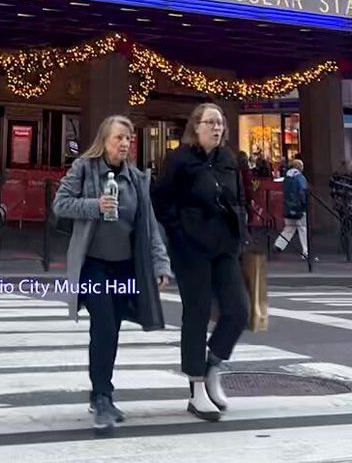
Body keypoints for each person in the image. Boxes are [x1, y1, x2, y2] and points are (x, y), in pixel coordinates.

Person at [53, 114, 171, 433]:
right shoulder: (84, 168)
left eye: (129, 138)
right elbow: (60, 204)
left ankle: (100, 391)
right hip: (93, 263)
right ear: (104, 139)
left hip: (124, 266)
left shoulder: (136, 179)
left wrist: (161, 265)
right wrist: (94, 206)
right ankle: (103, 397)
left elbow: (148, 226)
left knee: (112, 328)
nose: (124, 143)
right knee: (103, 322)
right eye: (119, 137)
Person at [152, 102, 249, 423]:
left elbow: (239, 198)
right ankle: (196, 388)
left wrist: (240, 234)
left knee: (238, 311)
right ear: (196, 126)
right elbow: (161, 200)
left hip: (225, 246)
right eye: (210, 122)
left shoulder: (228, 159)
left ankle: (212, 364)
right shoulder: (179, 159)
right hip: (191, 249)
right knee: (197, 313)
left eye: (220, 123)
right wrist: (179, 232)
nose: (217, 128)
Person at [274, 157, 309, 259]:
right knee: (303, 229)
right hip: (299, 208)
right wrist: (304, 205)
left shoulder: (287, 178)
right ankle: (306, 251)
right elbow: (303, 192)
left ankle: (279, 245)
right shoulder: (300, 178)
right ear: (300, 168)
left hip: (288, 207)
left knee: (289, 227)